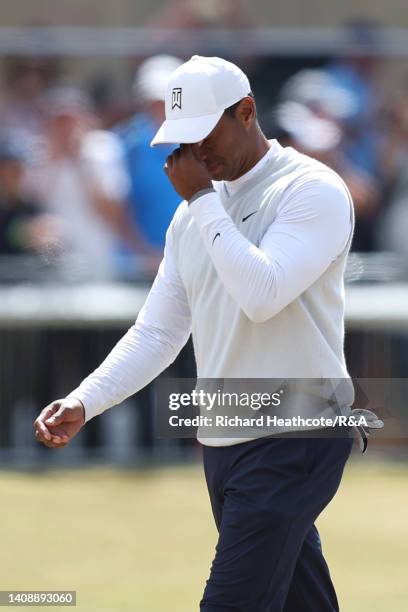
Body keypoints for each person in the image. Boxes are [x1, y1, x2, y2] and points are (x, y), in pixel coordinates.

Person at [34, 56, 380, 611]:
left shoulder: (311, 189)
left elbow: (263, 294)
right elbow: (158, 332)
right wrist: (85, 399)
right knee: (298, 601)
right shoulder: (192, 215)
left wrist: (200, 200)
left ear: (246, 112)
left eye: (202, 134)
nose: (192, 153)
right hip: (226, 438)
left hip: (300, 433)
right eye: (180, 139)